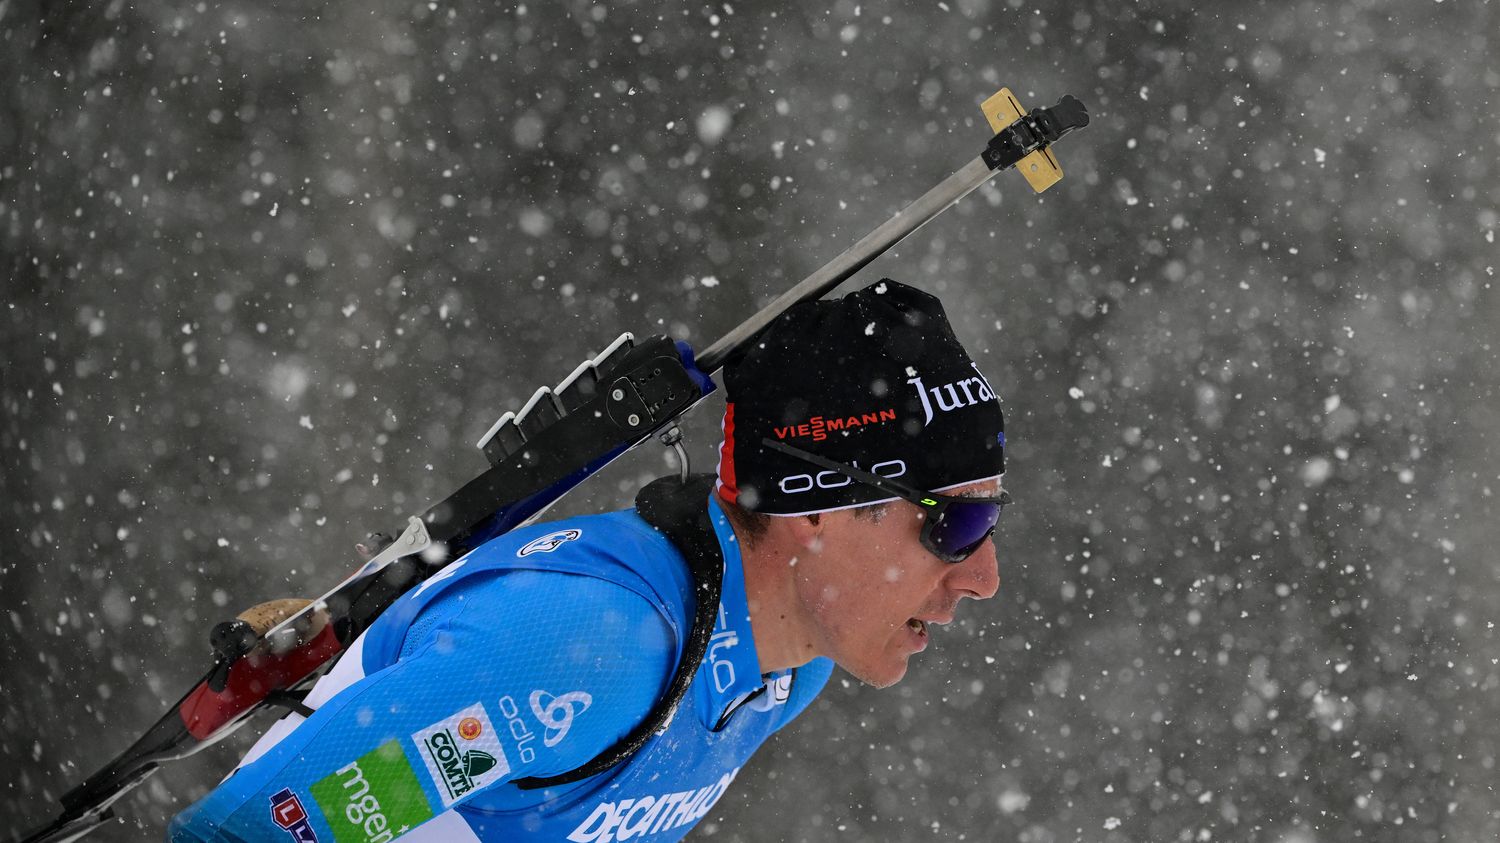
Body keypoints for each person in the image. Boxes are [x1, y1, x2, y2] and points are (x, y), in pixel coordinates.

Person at [168, 278, 1009, 842]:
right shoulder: (590, 651)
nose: (984, 575)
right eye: (958, 524)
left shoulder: (788, 666)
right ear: (816, 505)